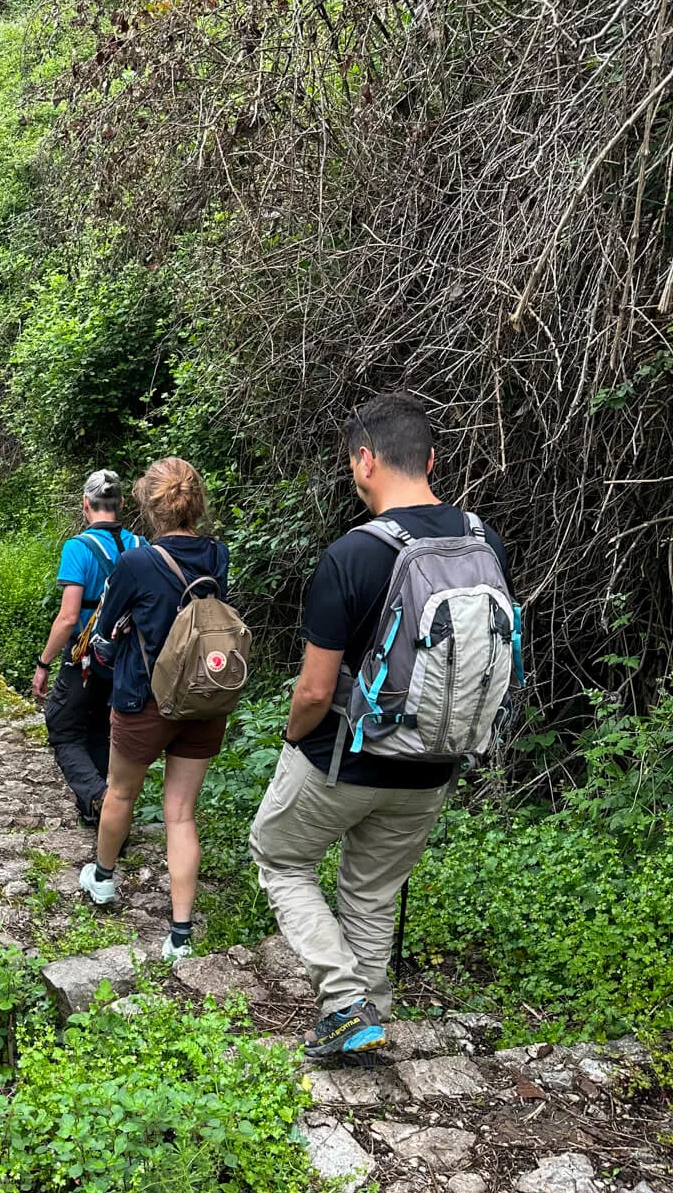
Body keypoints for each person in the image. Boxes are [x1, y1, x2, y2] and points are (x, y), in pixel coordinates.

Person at [249, 393, 512, 1059]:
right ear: (429, 459)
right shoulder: (485, 542)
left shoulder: (355, 554)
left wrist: (291, 739)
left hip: (345, 758)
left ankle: (342, 1002)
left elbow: (313, 689)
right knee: (371, 890)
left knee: (280, 857)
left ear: (364, 461)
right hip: (436, 762)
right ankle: (367, 1024)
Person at [79, 457, 230, 962]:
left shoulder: (135, 563)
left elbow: (103, 635)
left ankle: (102, 879)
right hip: (204, 698)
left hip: (143, 699)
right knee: (181, 814)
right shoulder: (218, 555)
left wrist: (113, 640)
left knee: (121, 791)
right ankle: (181, 935)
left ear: (147, 506)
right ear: (197, 504)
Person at [33, 469, 144, 826]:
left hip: (84, 657)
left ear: (85, 505)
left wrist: (43, 662)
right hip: (127, 657)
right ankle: (96, 814)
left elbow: (68, 618)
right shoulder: (142, 546)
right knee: (100, 729)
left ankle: (100, 800)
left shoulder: (78, 548)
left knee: (62, 728)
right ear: (121, 504)